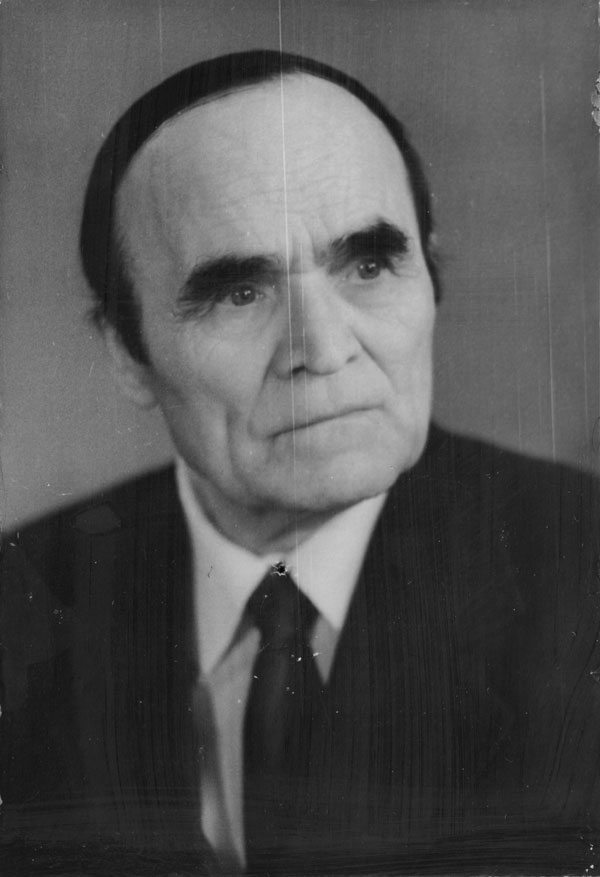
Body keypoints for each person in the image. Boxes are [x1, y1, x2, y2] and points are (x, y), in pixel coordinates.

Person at [1, 49, 599, 876]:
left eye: (368, 264)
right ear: (126, 354)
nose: (322, 347)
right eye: (240, 292)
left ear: (430, 275)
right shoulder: (19, 606)